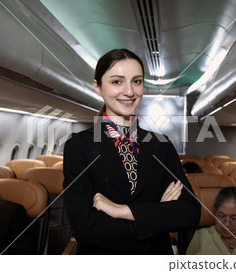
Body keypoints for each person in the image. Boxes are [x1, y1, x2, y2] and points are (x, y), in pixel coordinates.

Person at [63, 48, 201, 254]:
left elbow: (190, 212)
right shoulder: (78, 146)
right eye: (117, 82)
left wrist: (121, 211)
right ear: (97, 87)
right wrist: (157, 215)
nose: (129, 92)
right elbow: (85, 228)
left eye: (136, 81)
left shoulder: (161, 145)